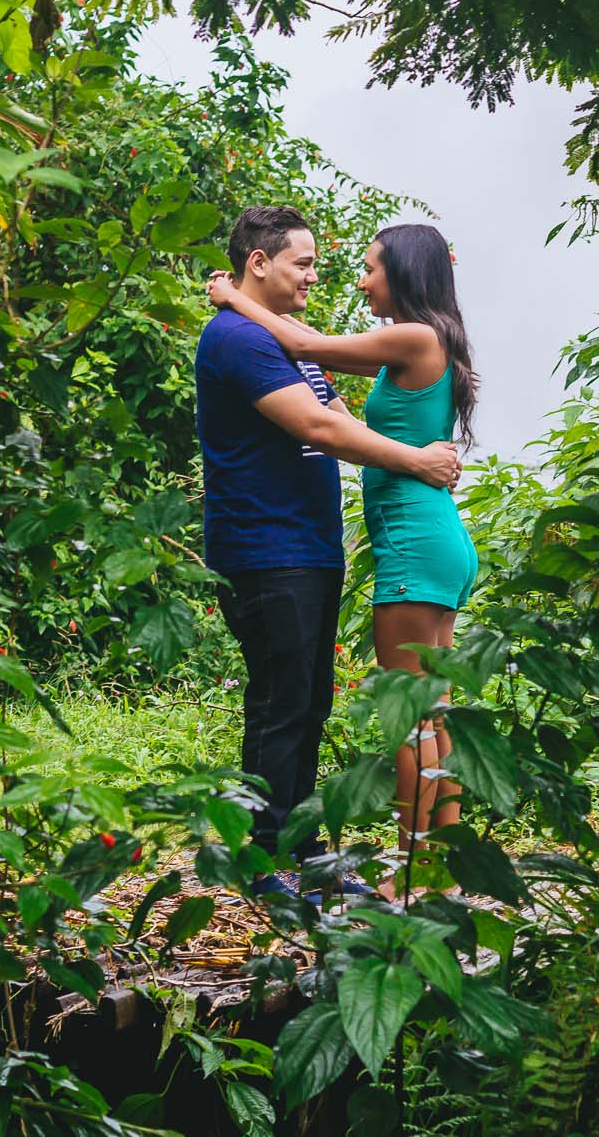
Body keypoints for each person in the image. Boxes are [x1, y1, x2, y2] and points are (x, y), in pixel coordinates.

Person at [195, 206, 462, 904]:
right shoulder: (240, 339)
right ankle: (266, 861)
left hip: (309, 548)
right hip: (267, 546)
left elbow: (332, 400)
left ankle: (303, 849)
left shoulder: (283, 341)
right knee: (286, 703)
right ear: (259, 263)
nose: (322, 274)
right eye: (303, 262)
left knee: (310, 702)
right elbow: (320, 424)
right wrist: (415, 458)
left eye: (338, 263)